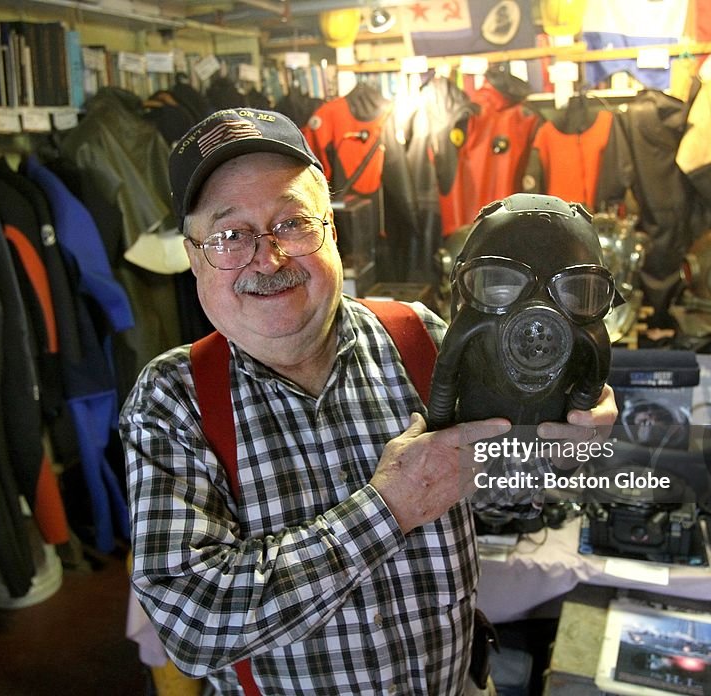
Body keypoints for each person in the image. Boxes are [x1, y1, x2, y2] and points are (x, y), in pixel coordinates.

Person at [120, 108, 618, 695]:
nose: (269, 257)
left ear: (332, 229)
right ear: (194, 254)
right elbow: (193, 626)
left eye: (292, 224)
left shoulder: (421, 338)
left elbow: (505, 499)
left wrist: (561, 449)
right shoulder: (173, 400)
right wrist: (388, 509)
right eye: (231, 236)